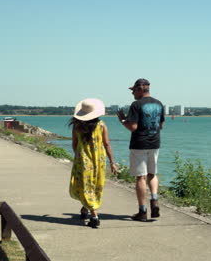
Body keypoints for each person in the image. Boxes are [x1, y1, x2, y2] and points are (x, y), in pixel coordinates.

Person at [117, 78, 165, 221]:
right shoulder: (159, 103)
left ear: (140, 89)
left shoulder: (136, 104)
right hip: (155, 143)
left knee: (140, 177)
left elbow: (133, 127)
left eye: (133, 91)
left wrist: (122, 120)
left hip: (139, 144)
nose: (132, 94)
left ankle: (142, 211)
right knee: (152, 173)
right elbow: (161, 126)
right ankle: (155, 199)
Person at [69, 98, 117, 228]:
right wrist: (112, 161)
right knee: (94, 186)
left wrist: (78, 155)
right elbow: (107, 144)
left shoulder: (77, 125)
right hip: (99, 161)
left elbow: (74, 143)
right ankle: (88, 210)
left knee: (85, 185)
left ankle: (94, 215)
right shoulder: (101, 125)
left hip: (83, 160)